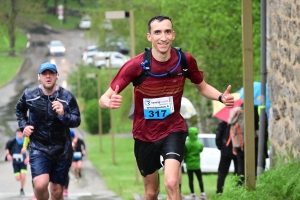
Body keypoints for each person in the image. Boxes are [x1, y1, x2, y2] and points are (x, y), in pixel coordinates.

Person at [99, 15, 234, 200]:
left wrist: (220, 96)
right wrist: (108, 102)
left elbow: (202, 87)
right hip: (144, 134)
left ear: (173, 35)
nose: (163, 37)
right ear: (149, 37)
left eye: (167, 32)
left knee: (171, 183)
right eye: (157, 32)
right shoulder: (136, 66)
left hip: (173, 129)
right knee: (151, 192)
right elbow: (104, 97)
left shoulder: (185, 61)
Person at [15, 62, 81, 200]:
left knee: (57, 191)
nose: (48, 76)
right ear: (39, 76)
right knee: (39, 185)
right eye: (44, 73)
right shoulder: (29, 95)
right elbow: (19, 110)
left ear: (57, 76)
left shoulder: (67, 97)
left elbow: (76, 120)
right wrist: (24, 126)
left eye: (51, 73)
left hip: (62, 150)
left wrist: (63, 114)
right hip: (39, 148)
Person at [5, 128, 29, 196]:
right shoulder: (12, 141)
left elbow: (31, 150)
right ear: (16, 134)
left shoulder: (25, 141)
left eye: (21, 134)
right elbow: (7, 148)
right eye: (18, 134)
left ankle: (22, 189)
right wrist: (8, 155)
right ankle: (20, 178)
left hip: (23, 161)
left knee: (23, 176)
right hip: (15, 162)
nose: (19, 135)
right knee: (18, 178)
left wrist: (28, 158)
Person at [215, 120, 238, 194]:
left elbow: (218, 137)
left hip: (225, 150)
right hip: (237, 150)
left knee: (222, 173)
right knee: (238, 172)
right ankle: (237, 190)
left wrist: (221, 147)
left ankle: (219, 191)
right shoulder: (238, 121)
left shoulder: (223, 123)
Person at [184, 127, 206, 199]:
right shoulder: (199, 144)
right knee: (200, 179)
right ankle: (202, 192)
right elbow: (201, 150)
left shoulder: (186, 144)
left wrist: (185, 160)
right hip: (197, 165)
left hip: (189, 165)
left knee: (191, 180)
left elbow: (184, 153)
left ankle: (192, 193)